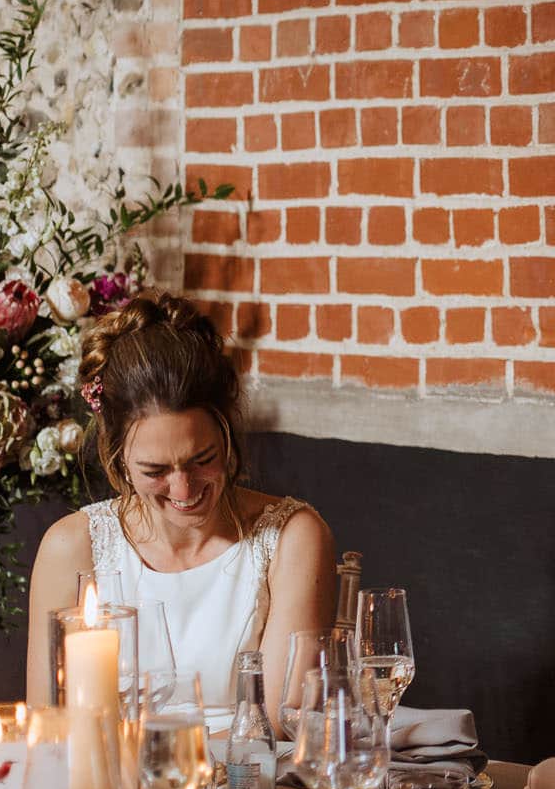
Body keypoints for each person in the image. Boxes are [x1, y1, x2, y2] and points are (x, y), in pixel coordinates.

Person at [26, 291, 335, 717]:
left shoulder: (292, 537)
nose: (184, 490)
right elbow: (48, 725)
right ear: (117, 457)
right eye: (155, 471)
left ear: (226, 433)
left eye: (202, 460)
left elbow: (285, 724)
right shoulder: (71, 547)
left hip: (254, 781)